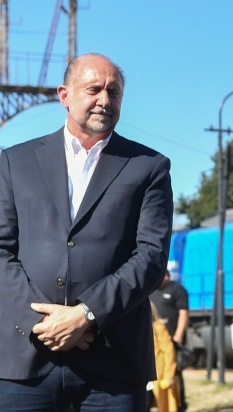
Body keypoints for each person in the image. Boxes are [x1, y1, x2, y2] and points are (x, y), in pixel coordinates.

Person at [0, 53, 174, 410]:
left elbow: (151, 257)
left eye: (114, 92)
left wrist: (85, 315)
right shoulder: (13, 162)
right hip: (24, 360)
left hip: (113, 361)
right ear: (64, 95)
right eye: (93, 90)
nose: (105, 100)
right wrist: (43, 324)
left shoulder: (149, 167)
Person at [150, 267, 190, 410]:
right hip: (156, 340)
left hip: (173, 338)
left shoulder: (177, 290)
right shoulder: (151, 291)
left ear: (167, 276)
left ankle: (180, 405)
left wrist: (178, 335)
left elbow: (184, 313)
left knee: (175, 373)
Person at [150, 303, 181, 412]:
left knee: (164, 406)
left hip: (160, 374)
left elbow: (169, 351)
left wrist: (169, 374)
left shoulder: (158, 327)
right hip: (145, 376)